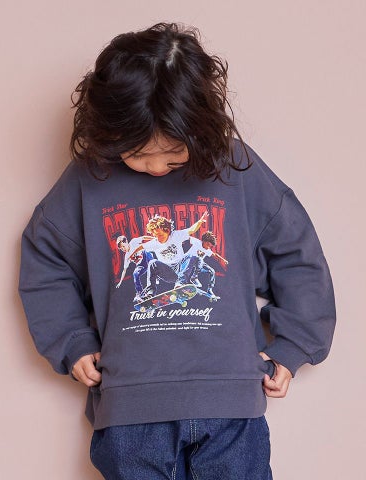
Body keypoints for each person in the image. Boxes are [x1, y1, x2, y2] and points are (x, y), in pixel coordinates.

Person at [18, 22, 336, 480]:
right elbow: (45, 257)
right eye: (135, 153)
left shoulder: (234, 168)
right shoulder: (90, 177)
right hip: (130, 406)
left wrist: (295, 343)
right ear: (107, 129)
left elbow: (296, 250)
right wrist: (71, 341)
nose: (154, 167)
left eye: (172, 153)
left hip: (230, 402)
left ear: (201, 126)